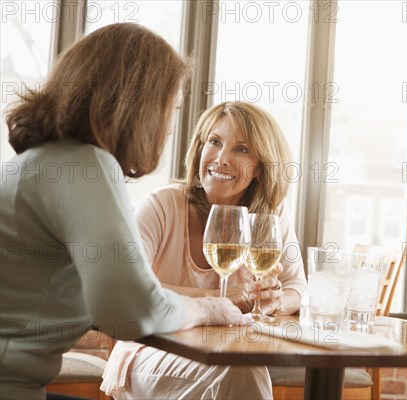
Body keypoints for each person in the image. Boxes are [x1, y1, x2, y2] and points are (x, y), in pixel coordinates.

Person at [0, 24, 246, 400]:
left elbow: (101, 302)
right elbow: (130, 310)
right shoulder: (85, 166)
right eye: (172, 109)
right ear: (138, 106)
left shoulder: (49, 160)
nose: (167, 128)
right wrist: (210, 308)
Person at [101, 101, 307, 399]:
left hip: (226, 353)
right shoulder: (162, 205)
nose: (221, 158)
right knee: (241, 371)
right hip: (151, 351)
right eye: (214, 141)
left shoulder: (269, 215)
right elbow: (128, 289)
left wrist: (271, 300)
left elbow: (297, 288)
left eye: (242, 149)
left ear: (261, 169)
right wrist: (225, 301)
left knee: (239, 368)